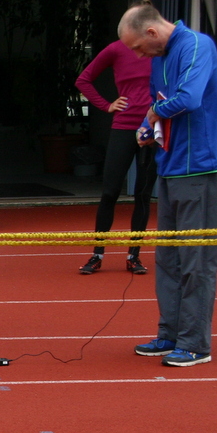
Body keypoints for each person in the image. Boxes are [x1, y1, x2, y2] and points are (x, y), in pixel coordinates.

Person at [119, 1, 217, 367]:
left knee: (195, 260)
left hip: (198, 165)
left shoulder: (197, 45)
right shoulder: (159, 56)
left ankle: (196, 342)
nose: (138, 55)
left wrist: (153, 113)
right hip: (169, 165)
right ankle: (170, 332)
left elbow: (190, 98)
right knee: (168, 258)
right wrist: (148, 127)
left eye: (137, 47)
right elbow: (161, 101)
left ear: (152, 32)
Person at [75, 39, 158, 275]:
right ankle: (97, 254)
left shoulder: (161, 48)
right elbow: (83, 80)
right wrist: (106, 105)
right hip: (123, 126)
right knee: (110, 191)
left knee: (143, 194)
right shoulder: (116, 48)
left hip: (152, 128)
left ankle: (134, 255)